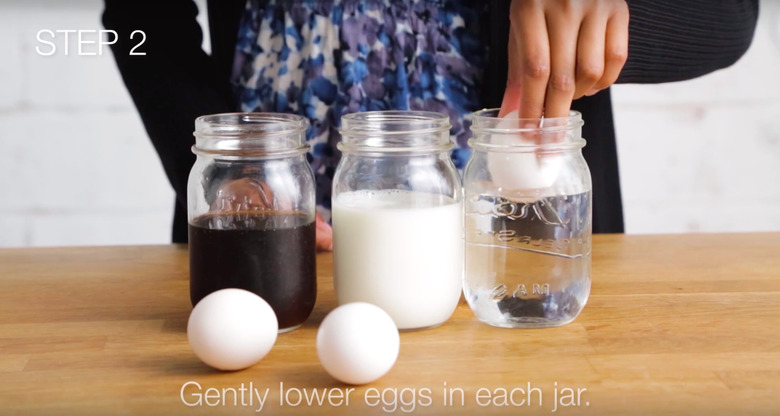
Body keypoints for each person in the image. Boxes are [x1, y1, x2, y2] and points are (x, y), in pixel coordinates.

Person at [103, 0, 758, 250]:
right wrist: (224, 168)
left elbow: (730, 18)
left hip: (518, 255)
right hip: (270, 245)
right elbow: (134, 20)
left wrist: (608, 12)